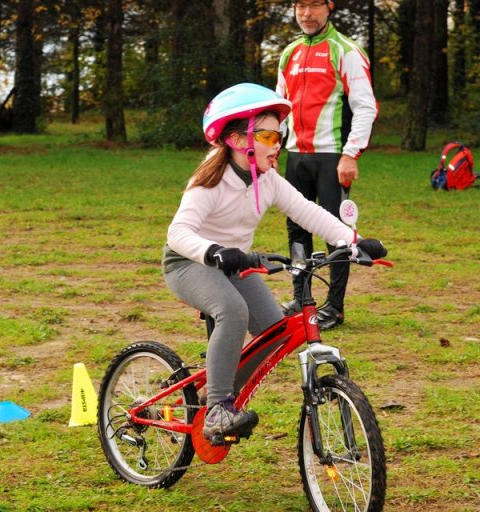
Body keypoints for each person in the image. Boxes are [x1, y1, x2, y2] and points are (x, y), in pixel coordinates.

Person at [163, 83, 386, 442]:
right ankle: (218, 409)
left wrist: (353, 240)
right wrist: (213, 251)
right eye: (268, 136)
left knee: (275, 331)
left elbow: (308, 211)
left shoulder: (267, 180)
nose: (278, 144)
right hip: (189, 263)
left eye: (280, 136)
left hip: (234, 264)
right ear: (238, 141)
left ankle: (211, 394)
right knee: (232, 310)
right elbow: (178, 233)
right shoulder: (210, 181)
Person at [276, 0, 379, 330]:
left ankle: (334, 306)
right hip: (295, 156)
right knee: (296, 230)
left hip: (332, 157)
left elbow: (365, 107)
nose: (307, 14)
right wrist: (272, 146)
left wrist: (351, 154)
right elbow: (280, 108)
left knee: (337, 233)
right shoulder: (289, 52)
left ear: (329, 7)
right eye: (300, 6)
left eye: (315, 6)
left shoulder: (345, 50)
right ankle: (301, 298)